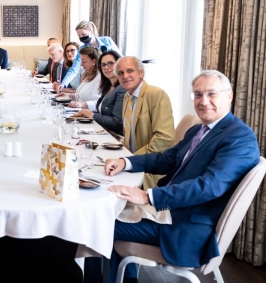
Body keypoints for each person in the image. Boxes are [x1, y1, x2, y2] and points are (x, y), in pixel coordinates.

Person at [87, 70, 260, 283]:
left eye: (211, 94)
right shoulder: (200, 129)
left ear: (229, 96)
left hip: (185, 226)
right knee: (105, 210)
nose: (203, 101)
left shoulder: (239, 137)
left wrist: (148, 197)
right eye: (197, 95)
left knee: (96, 224)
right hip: (172, 211)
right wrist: (127, 162)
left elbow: (209, 186)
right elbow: (168, 159)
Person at [116, 56, 175, 189]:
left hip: (149, 170)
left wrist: (131, 160)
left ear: (141, 72)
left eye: (130, 71)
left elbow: (164, 138)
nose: (125, 76)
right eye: (120, 73)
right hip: (130, 164)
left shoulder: (156, 95)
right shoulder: (127, 96)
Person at [57, 20, 120, 90]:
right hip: (98, 79)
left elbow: (119, 57)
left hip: (112, 74)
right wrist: (63, 84)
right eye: (79, 36)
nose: (81, 37)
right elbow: (74, 69)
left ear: (91, 31)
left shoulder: (107, 41)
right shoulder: (82, 49)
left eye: (83, 34)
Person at [73, 50, 126, 135]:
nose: (106, 67)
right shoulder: (107, 85)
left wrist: (92, 115)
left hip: (114, 137)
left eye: (111, 63)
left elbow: (116, 122)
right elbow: (101, 110)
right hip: (102, 130)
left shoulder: (122, 89)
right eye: (103, 65)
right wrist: (84, 114)